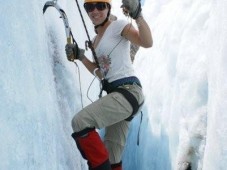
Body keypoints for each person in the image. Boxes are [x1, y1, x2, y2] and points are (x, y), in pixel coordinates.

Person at [65, 0, 152, 169]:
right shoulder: (95, 41)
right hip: (122, 96)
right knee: (112, 158)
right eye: (89, 7)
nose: (94, 11)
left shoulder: (119, 26)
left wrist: (137, 15)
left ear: (108, 8)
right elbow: (101, 73)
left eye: (100, 6)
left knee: (81, 121)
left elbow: (147, 42)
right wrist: (81, 56)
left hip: (128, 92)